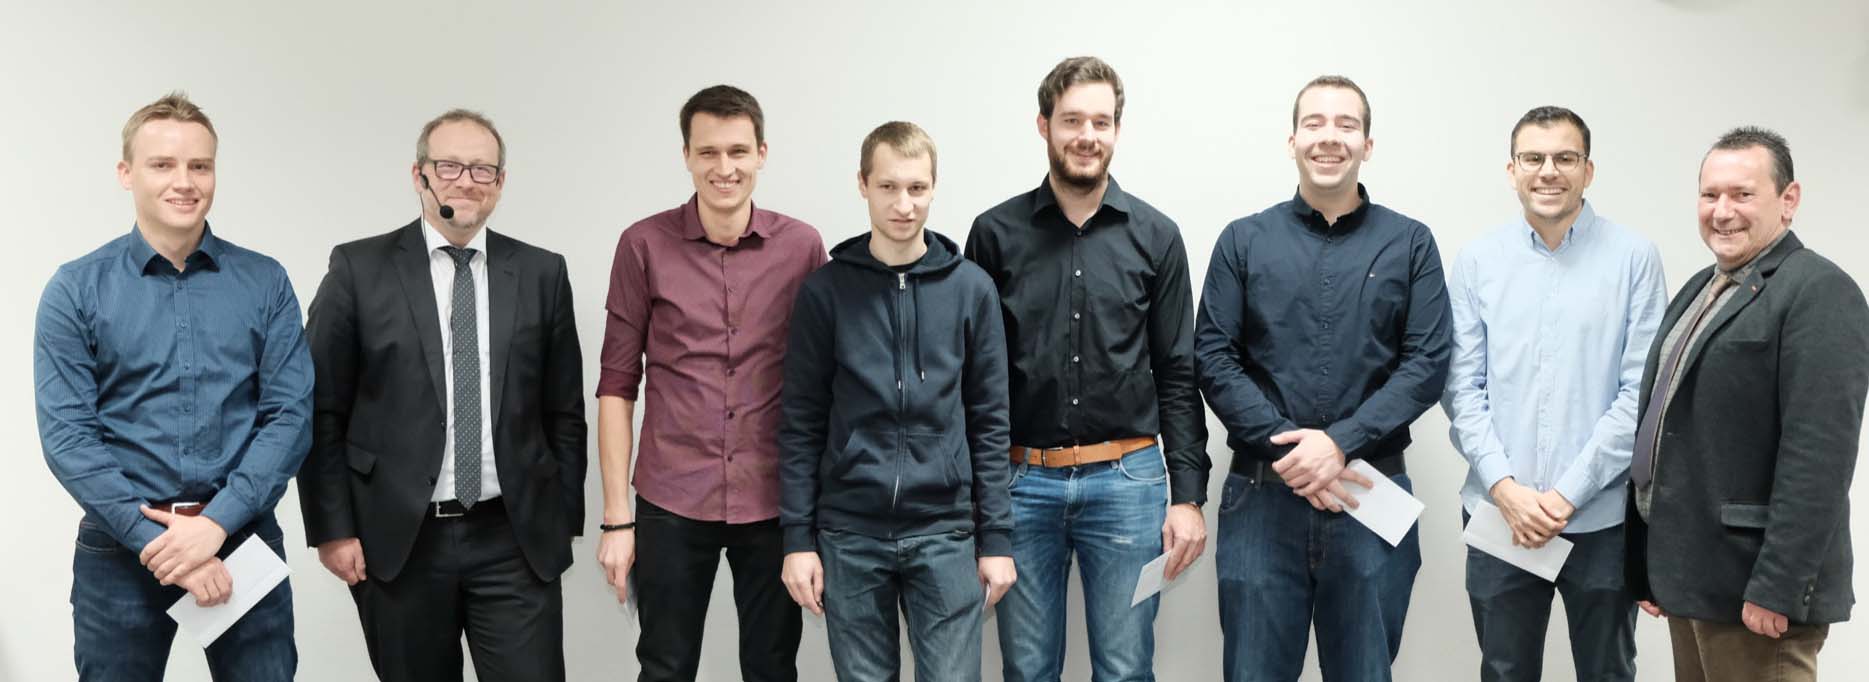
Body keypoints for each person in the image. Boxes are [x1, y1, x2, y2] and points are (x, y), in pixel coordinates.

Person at [299, 108, 586, 681]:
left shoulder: (542, 272)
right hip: (400, 539)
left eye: (482, 169)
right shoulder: (359, 268)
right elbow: (320, 408)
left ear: (499, 182)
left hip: (513, 538)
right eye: (449, 166)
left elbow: (565, 412)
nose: (466, 181)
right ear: (420, 174)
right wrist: (332, 527)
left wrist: (560, 519)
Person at [36, 91, 311, 681]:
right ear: (126, 173)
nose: (184, 182)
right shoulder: (75, 290)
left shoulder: (265, 282)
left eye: (199, 165)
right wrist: (162, 546)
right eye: (162, 164)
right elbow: (68, 438)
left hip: (240, 538)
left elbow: (290, 417)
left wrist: (215, 526)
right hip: (120, 550)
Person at [1196, 74, 1451, 682]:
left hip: (1370, 493)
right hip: (1262, 500)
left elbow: (1426, 364)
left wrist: (1337, 445)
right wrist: (1295, 453)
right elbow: (1213, 357)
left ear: (1368, 144)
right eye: (1314, 123)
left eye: (1346, 124)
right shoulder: (1243, 240)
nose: (1329, 137)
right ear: (1292, 141)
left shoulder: (1410, 243)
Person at [965, 55, 1210, 682]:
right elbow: (976, 382)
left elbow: (1177, 372)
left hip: (1128, 484)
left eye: (1101, 121)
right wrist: (979, 500)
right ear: (1043, 125)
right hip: (1021, 484)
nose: (1087, 135)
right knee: (1027, 669)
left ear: (1117, 130)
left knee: (1126, 670)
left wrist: (1187, 496)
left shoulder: (1157, 236)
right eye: (1072, 120)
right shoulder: (993, 234)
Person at [594, 84, 821, 682]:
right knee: (665, 667)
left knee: (772, 668)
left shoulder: (802, 247)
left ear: (762, 153)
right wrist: (617, 519)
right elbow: (617, 386)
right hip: (672, 495)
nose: (725, 168)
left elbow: (821, 382)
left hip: (772, 497)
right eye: (709, 152)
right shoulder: (642, 245)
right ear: (687, 156)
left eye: (739, 151)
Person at [1625, 127, 1869, 682]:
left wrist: (1778, 585)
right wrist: (1650, 564)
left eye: (1742, 194)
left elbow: (1819, 457)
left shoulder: (1819, 291)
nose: (1722, 211)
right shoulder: (1703, 287)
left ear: (1788, 200)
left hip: (1753, 591)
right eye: (1710, 195)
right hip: (1695, 580)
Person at [779, 120, 1014, 682]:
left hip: (945, 532)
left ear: (934, 188)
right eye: (888, 187)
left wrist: (997, 540)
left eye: (916, 188)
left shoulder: (972, 289)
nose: (903, 204)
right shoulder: (825, 292)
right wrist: (797, 540)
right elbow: (801, 422)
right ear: (863, 184)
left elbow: (990, 422)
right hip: (849, 533)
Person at [1442, 105, 1665, 681]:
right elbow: (1461, 390)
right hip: (1500, 516)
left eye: (1565, 158)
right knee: (1505, 671)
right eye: (1533, 158)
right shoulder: (1477, 261)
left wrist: (1567, 494)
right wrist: (1506, 490)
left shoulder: (1634, 259)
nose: (1548, 171)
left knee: (1608, 672)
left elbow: (1640, 396)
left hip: (1602, 518)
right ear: (1511, 170)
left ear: (1588, 170)